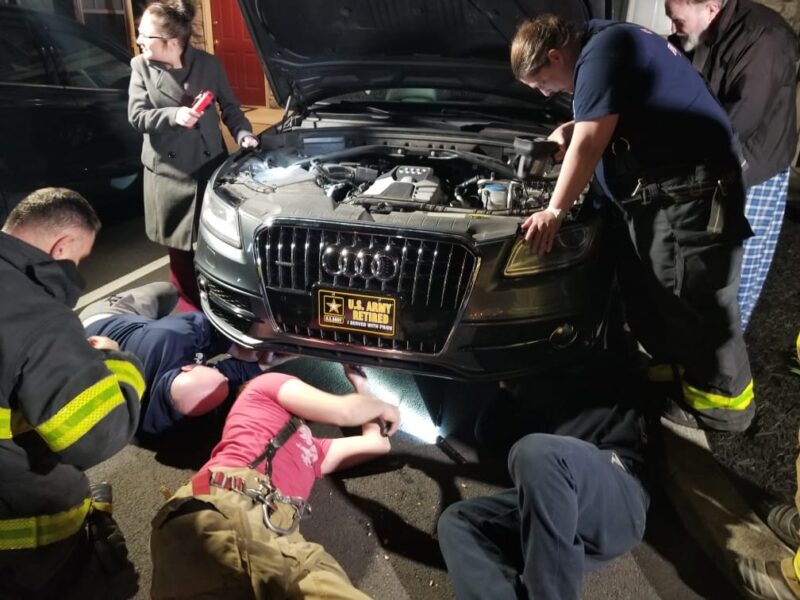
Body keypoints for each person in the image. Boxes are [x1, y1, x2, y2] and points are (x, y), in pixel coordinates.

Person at [510, 14, 755, 432]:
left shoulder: (603, 53)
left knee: (693, 301)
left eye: (543, 82)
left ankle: (723, 409)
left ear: (554, 55)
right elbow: (617, 110)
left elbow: (590, 144)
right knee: (658, 293)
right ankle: (670, 378)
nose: (546, 92)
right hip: (668, 195)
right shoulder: (605, 37)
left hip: (690, 197)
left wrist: (554, 210)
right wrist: (568, 131)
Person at [0, 188, 144, 597]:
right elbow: (95, 435)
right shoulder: (39, 314)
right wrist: (122, 365)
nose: (76, 268)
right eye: (78, 260)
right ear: (62, 246)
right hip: (24, 551)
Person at [149, 367, 400, 599]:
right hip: (227, 501)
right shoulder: (262, 386)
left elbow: (378, 443)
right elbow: (346, 411)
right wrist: (384, 408)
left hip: (283, 535)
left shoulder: (314, 452)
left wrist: (362, 386)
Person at [437, 352, 650, 600]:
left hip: (617, 489)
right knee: (457, 522)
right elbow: (488, 432)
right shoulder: (535, 392)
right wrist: (509, 384)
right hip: (557, 509)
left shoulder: (606, 359)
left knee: (536, 454)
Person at [664, 0, 800, 331]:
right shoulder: (699, 32)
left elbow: (738, 123)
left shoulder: (762, 39)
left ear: (709, 7)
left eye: (676, 19)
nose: (673, 28)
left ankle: (724, 362)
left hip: (751, 169)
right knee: (702, 265)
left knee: (736, 271)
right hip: (715, 160)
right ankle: (695, 350)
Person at [128, 0, 259, 312]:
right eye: (139, 34)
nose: (139, 41)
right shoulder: (141, 68)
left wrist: (243, 133)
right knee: (179, 250)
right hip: (169, 172)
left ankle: (224, 304)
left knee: (218, 242)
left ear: (172, 42)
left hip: (209, 165)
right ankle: (190, 310)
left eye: (146, 35)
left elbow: (229, 106)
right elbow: (137, 116)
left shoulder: (208, 65)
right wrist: (174, 115)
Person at [79, 281, 290, 436]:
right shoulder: (162, 420)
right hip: (132, 340)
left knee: (167, 291)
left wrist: (234, 346)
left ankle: (143, 321)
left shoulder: (171, 337)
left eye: (209, 368)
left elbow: (209, 328)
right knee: (168, 296)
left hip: (99, 322)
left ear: (187, 368)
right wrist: (261, 363)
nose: (216, 369)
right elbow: (222, 377)